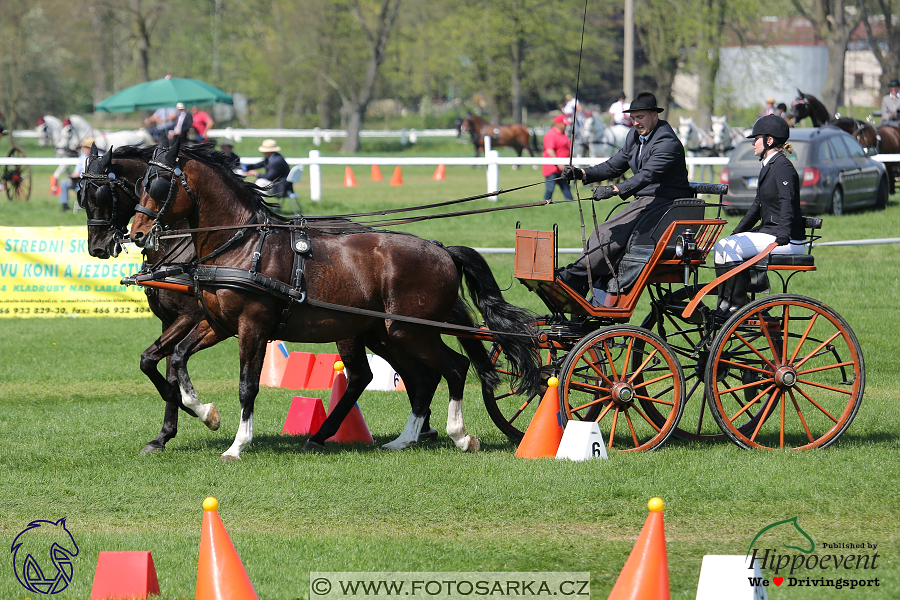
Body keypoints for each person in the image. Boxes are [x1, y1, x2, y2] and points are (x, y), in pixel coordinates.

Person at [558, 91, 693, 297]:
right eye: (633, 118)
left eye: (640, 117)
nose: (636, 123)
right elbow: (614, 165)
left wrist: (614, 189)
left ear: (654, 116)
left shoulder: (668, 143)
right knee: (603, 230)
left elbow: (647, 175)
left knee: (612, 232)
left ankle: (576, 276)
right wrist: (582, 173)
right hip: (646, 200)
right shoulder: (635, 137)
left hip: (666, 203)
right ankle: (585, 277)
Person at [711, 115, 806, 321]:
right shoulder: (768, 166)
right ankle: (729, 303)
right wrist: (738, 232)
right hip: (771, 233)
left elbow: (787, 202)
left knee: (729, 248)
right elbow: (757, 206)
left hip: (787, 239)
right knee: (723, 246)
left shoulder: (782, 167)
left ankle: (737, 308)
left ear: (769, 141)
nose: (753, 142)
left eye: (756, 138)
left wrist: (783, 235)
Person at [542, 114, 574, 201]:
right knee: (550, 189)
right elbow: (550, 150)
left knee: (566, 188)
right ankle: (545, 204)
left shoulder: (563, 135)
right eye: (564, 124)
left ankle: (571, 204)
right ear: (558, 124)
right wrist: (559, 163)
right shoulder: (551, 134)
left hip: (563, 168)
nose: (566, 125)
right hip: (552, 168)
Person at [59, 137, 94, 212]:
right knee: (64, 183)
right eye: (82, 147)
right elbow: (76, 172)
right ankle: (65, 206)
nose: (83, 149)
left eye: (85, 147)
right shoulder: (82, 158)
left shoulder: (98, 158)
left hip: (89, 183)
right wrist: (72, 178)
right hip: (79, 181)